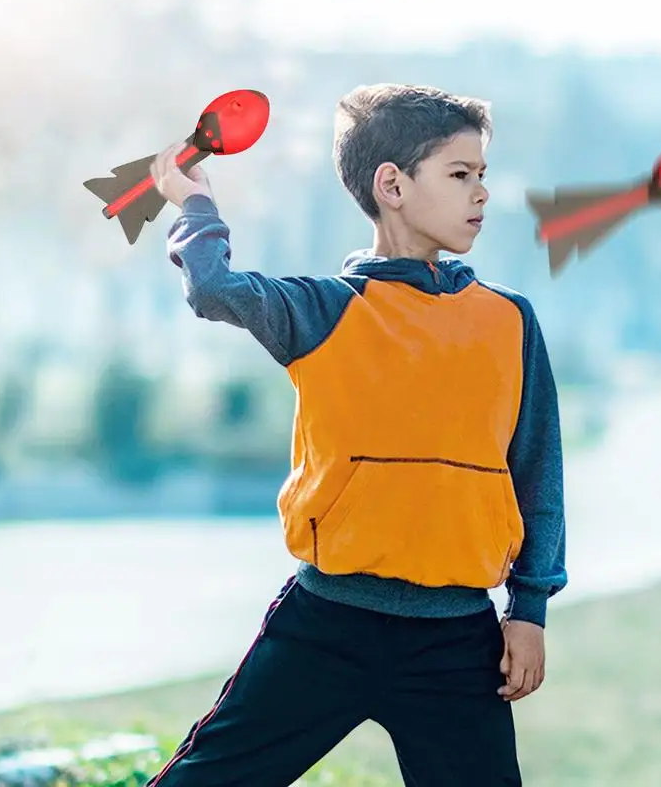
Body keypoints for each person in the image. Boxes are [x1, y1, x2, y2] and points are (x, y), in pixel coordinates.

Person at [145, 83, 567, 787]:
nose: (482, 194)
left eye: (482, 176)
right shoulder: (321, 310)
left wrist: (530, 609)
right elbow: (213, 289)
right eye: (461, 175)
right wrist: (195, 205)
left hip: (458, 640)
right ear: (392, 185)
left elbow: (537, 473)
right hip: (325, 626)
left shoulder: (510, 322)